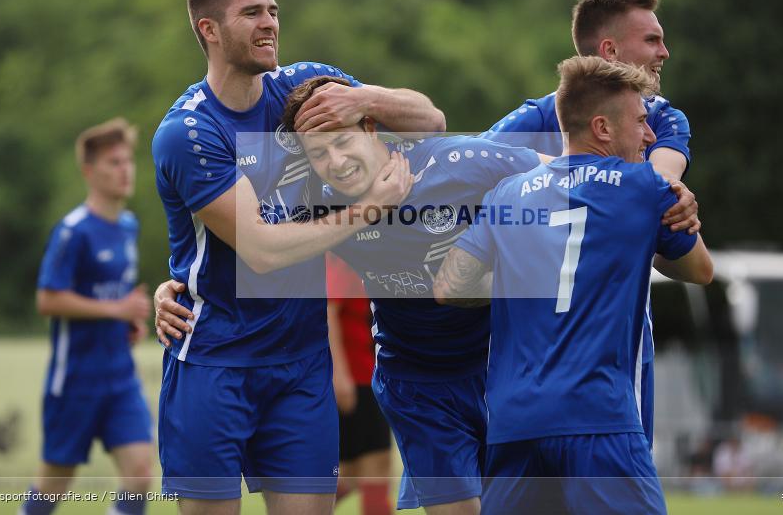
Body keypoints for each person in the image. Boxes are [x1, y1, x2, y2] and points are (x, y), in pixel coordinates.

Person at [157, 73, 548, 514]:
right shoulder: (322, 204)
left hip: (505, 365)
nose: (337, 162)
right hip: (417, 382)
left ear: (369, 127)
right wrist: (173, 284)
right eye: (319, 155)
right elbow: (257, 245)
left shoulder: (460, 160)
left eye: (343, 143)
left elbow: (563, 182)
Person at [151, 0, 443, 515]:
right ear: (208, 30)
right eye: (251, 12)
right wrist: (367, 211)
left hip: (302, 366)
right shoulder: (189, 131)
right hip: (214, 362)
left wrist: (364, 99)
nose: (270, 23)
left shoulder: (298, 88)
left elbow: (429, 119)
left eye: (273, 10)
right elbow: (259, 250)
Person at [434, 56, 713, 515]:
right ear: (602, 127)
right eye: (641, 122)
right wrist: (668, 217)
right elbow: (700, 270)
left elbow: (448, 286)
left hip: (513, 423)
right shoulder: (645, 185)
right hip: (597, 417)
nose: (649, 135)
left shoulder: (507, 192)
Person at [482, 0, 697, 449]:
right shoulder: (538, 117)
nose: (665, 51)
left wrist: (544, 178)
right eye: (653, 40)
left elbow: (660, 191)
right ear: (610, 50)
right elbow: (465, 166)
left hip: (612, 340)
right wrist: (560, 171)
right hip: (537, 348)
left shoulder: (664, 118)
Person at [21, 118, 153, 515]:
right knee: (52, 488)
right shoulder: (72, 231)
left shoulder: (128, 226)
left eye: (128, 160)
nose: (125, 169)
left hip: (119, 377)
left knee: (141, 475)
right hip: (74, 381)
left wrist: (129, 321)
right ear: (89, 171)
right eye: (114, 162)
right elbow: (48, 300)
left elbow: (112, 297)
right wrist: (116, 309)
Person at [325, 252, 393, 515]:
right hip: (356, 381)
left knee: (353, 473)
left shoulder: (360, 261)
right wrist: (339, 377)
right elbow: (328, 311)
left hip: (364, 377)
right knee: (376, 469)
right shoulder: (344, 259)